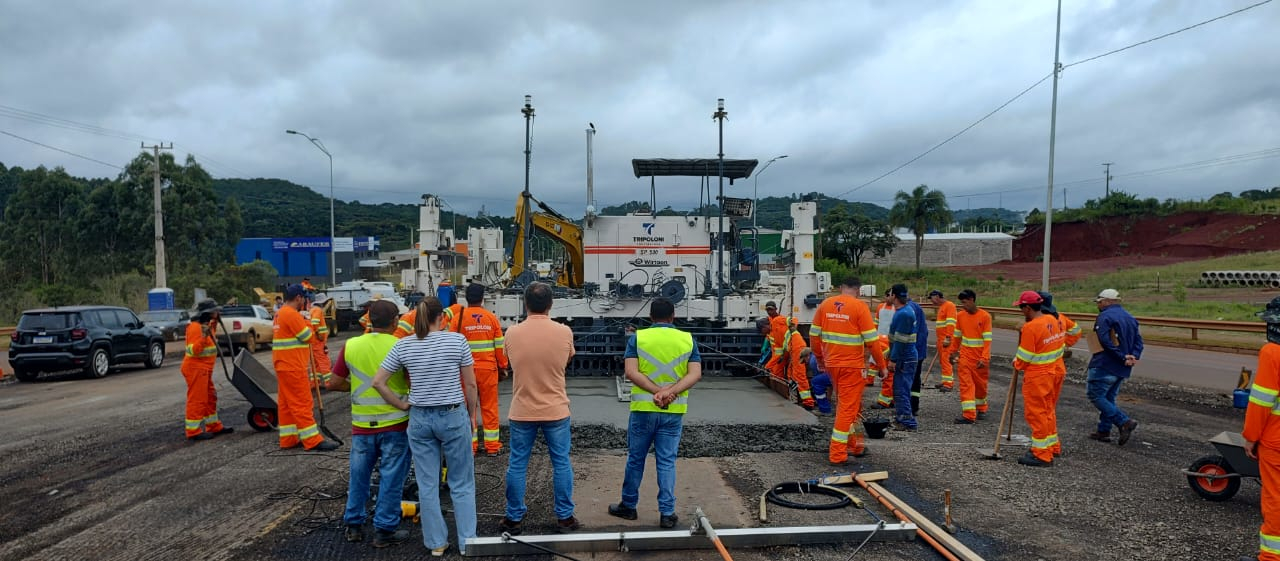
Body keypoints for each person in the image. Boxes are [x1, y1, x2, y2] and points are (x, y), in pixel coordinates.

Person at [371, 297, 480, 557]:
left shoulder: (404, 345)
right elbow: (471, 385)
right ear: (441, 317)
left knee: (427, 484)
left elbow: (378, 382)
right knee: (462, 482)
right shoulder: (457, 341)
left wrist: (402, 405)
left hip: (420, 418)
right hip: (452, 415)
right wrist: (472, 416)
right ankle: (468, 543)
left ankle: (436, 544)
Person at [608, 298, 703, 529]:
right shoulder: (687, 339)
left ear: (650, 317)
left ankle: (629, 506)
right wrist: (670, 393)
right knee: (667, 461)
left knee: (635, 459)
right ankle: (667, 514)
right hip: (673, 411)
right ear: (673, 317)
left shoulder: (638, 338)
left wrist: (656, 392)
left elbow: (630, 372)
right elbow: (695, 374)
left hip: (643, 410)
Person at [327, 300, 411, 548]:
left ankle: (353, 524)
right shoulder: (400, 346)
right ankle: (384, 530)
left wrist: (356, 388)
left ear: (369, 320)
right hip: (395, 424)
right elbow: (412, 382)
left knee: (359, 476)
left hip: (362, 426)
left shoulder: (351, 345)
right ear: (396, 321)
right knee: (392, 478)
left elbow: (333, 382)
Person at [499, 282, 579, 535]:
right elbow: (567, 359)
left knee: (518, 464)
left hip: (522, 409)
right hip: (556, 409)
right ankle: (565, 517)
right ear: (551, 304)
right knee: (561, 463)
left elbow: (509, 361)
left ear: (525, 304)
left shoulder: (512, 332)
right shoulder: (564, 332)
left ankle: (513, 519)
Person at [811, 277, 888, 463]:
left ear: (840, 288)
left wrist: (820, 359)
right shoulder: (859, 307)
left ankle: (854, 444)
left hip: (832, 364)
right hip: (852, 366)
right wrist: (882, 366)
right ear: (859, 290)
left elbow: (814, 336)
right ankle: (837, 453)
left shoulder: (825, 305)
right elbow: (872, 342)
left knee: (849, 406)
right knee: (847, 408)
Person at [273, 284, 339, 451]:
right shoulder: (291, 314)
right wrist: (307, 321)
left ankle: (288, 439)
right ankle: (313, 440)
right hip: (293, 365)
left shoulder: (280, 313)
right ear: (298, 298)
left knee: (287, 403)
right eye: (304, 298)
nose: (306, 301)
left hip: (284, 364)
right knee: (302, 402)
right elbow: (308, 337)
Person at [1242, 296, 1280, 561]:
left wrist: (1250, 437)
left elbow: (1261, 401)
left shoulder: (1272, 352)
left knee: (1275, 498)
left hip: (1276, 441)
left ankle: (1270, 557)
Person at [455, 283, 509, 456]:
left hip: (465, 372)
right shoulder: (491, 318)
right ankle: (492, 446)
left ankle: (471, 446)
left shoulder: (458, 319)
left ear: (466, 298)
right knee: (490, 407)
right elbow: (499, 346)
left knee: (468, 408)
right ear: (483, 298)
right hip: (488, 370)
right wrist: (503, 367)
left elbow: (451, 346)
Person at [1011, 290, 1064, 467]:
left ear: (1027, 308)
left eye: (1021, 307)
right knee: (1048, 410)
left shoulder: (1031, 327)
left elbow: (1024, 357)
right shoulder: (1053, 320)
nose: (1021, 311)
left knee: (1037, 413)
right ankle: (1052, 446)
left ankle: (1041, 454)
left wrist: (1016, 363)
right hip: (1053, 372)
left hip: (1038, 377)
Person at [1087, 288, 1144, 446]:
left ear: (1107, 301)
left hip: (1105, 364)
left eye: (1099, 302)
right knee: (1109, 398)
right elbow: (1139, 341)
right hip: (1122, 367)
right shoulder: (1130, 318)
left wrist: (1121, 356)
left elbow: (1105, 341)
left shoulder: (1104, 317)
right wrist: (1133, 356)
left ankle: (1124, 422)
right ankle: (1103, 430)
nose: (1098, 305)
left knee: (1096, 395)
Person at [182, 299, 233, 441]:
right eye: (215, 311)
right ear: (206, 313)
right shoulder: (195, 327)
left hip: (204, 369)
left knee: (210, 397)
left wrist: (214, 325)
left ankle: (213, 425)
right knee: (198, 399)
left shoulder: (206, 326)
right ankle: (193, 431)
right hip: (196, 369)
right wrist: (204, 337)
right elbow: (193, 350)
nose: (218, 313)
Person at [1038, 291, 1081, 457]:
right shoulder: (1061, 318)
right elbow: (1076, 330)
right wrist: (1064, 344)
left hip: (1046, 371)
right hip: (1058, 369)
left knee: (1043, 410)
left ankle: (1045, 449)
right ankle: (1053, 445)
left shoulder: (1042, 322)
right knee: (1049, 409)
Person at [950, 290, 992, 424]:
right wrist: (952, 352)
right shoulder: (960, 316)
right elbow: (957, 336)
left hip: (980, 360)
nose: (963, 305)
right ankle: (969, 414)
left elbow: (987, 340)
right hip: (965, 358)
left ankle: (981, 407)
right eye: (961, 303)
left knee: (981, 385)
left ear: (972, 300)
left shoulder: (985, 317)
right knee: (966, 385)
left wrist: (984, 358)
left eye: (965, 302)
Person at [886, 284, 920, 431]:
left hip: (905, 358)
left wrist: (893, 359)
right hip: (904, 356)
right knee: (899, 389)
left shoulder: (903, 314)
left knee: (902, 390)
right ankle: (902, 417)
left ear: (894, 296)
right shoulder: (904, 311)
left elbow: (900, 340)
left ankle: (907, 421)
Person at [929, 290, 958, 391]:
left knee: (946, 362)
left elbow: (951, 323)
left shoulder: (949, 306)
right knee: (943, 362)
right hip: (941, 340)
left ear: (937, 296)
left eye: (931, 298)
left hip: (947, 340)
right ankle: (945, 381)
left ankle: (948, 384)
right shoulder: (942, 307)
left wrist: (948, 337)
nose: (931, 301)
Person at [908, 291, 929, 415]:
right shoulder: (916, 307)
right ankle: (914, 406)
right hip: (919, 349)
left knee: (909, 379)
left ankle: (909, 407)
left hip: (912, 351)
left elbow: (908, 333)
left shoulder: (908, 309)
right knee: (915, 379)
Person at [309, 294, 332, 389]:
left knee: (315, 364)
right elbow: (314, 322)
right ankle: (329, 383)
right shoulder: (318, 310)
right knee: (324, 362)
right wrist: (319, 334)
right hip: (318, 342)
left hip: (313, 342)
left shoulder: (312, 310)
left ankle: (314, 383)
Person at [763, 301, 790, 381]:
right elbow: (770, 333)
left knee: (777, 370)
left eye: (771, 310)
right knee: (775, 371)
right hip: (775, 351)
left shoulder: (781, 320)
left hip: (782, 351)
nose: (769, 312)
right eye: (767, 310)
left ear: (776, 309)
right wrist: (765, 344)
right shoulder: (769, 320)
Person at [805, 348, 833, 415]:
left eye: (804, 360)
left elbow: (821, 381)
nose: (806, 363)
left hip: (834, 372)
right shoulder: (815, 357)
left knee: (816, 381)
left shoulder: (812, 361)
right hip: (839, 369)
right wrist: (829, 397)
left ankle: (824, 409)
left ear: (807, 356)